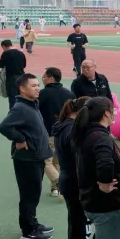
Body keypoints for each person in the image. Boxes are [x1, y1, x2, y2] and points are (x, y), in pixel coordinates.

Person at [75, 96, 120, 239]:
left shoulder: (87, 134)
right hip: (108, 204)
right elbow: (105, 163)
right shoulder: (100, 136)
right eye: (112, 110)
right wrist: (105, 184)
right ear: (106, 113)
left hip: (95, 202)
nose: (115, 112)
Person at [0, 73, 55, 239]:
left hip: (36, 156)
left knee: (34, 193)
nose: (38, 88)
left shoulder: (31, 104)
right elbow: (4, 127)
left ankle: (33, 224)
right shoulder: (20, 108)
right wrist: (21, 139)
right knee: (29, 195)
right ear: (22, 88)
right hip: (26, 159)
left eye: (38, 85)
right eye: (33, 86)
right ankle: (28, 231)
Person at [54, 98, 96, 239]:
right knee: (81, 221)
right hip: (75, 181)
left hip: (68, 179)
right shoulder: (71, 130)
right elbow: (78, 158)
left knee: (76, 219)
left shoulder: (63, 126)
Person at [40, 67, 75, 197]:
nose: (42, 79)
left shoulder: (42, 94)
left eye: (44, 77)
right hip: (66, 132)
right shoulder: (70, 94)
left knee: (45, 161)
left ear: (50, 78)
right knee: (57, 161)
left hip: (48, 132)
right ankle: (55, 189)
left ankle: (59, 183)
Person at [0, 38, 28, 110]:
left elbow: (0, 65)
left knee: (12, 98)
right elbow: (24, 65)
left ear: (3, 46)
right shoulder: (21, 53)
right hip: (22, 77)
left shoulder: (6, 53)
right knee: (22, 97)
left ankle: (14, 115)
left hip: (12, 78)